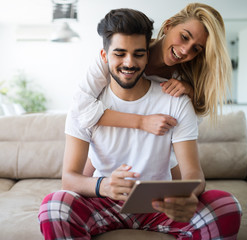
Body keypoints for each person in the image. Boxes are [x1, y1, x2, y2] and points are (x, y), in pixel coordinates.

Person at [39, 8, 241, 239]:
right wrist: (102, 185)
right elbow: (69, 178)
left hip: (158, 205)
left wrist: (187, 195)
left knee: (225, 205)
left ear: (146, 55)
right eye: (120, 53)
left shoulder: (177, 96)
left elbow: (194, 175)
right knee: (55, 204)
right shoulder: (87, 101)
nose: (129, 62)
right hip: (105, 201)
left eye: (138, 54)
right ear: (105, 57)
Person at [77, 2, 232, 177]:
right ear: (168, 26)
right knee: (78, 186)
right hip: (108, 138)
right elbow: (81, 108)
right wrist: (142, 122)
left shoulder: (183, 80)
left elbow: (189, 122)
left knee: (185, 187)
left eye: (196, 49)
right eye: (184, 37)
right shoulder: (117, 56)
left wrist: (190, 91)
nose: (184, 50)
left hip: (156, 147)